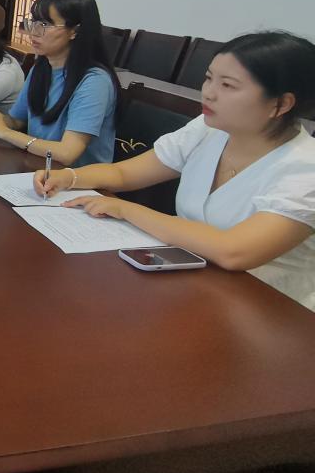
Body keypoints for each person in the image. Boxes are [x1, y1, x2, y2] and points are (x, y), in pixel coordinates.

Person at [36, 31, 315, 311]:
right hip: (190, 285)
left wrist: (125, 209)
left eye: (228, 85)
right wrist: (69, 177)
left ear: (280, 104)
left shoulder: (305, 169)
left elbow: (233, 251)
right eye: (209, 78)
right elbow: (125, 174)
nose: (209, 92)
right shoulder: (207, 129)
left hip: (268, 310)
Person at [0, 0, 117, 166]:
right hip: (38, 168)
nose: (34, 32)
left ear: (75, 31)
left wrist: (5, 132)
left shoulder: (94, 81)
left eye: (45, 25)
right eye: (34, 22)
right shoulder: (41, 68)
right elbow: (17, 121)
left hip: (78, 178)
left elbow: (67, 153)